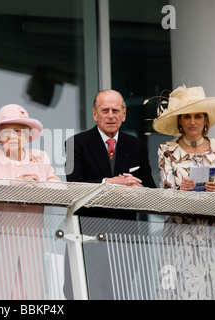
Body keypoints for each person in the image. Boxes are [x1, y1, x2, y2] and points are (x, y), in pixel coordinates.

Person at [151, 85, 215, 299]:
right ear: (180, 121)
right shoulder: (167, 149)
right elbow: (163, 194)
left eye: (198, 116)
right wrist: (179, 189)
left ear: (205, 120)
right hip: (181, 231)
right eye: (187, 116)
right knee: (182, 290)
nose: (193, 122)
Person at [64, 89, 156, 299]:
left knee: (118, 293)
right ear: (95, 114)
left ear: (124, 114)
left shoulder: (137, 146)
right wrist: (109, 183)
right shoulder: (73, 144)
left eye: (116, 110)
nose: (110, 115)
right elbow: (73, 186)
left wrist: (137, 188)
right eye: (105, 110)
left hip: (125, 238)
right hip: (87, 235)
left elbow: (150, 190)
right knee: (80, 293)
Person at [0, 104, 62, 299]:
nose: (13, 136)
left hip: (30, 245)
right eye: (7, 132)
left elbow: (60, 191)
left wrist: (39, 187)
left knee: (28, 296)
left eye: (18, 131)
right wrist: (13, 184)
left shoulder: (40, 157)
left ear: (27, 135)